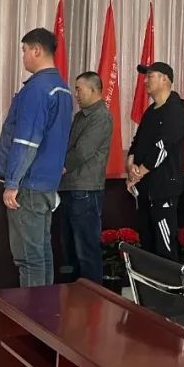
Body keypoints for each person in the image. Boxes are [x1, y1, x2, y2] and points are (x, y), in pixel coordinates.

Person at [0, 28, 73, 288]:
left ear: (37, 50)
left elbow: (26, 141)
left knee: (28, 259)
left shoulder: (37, 89)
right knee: (41, 253)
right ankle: (45, 308)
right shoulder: (62, 89)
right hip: (47, 184)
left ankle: (32, 312)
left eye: (25, 50)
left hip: (28, 185)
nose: (24, 56)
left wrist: (12, 182)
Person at [128, 62, 184, 260]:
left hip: (163, 190)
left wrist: (140, 172)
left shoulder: (175, 110)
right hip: (145, 189)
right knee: (147, 242)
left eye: (150, 76)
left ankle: (170, 281)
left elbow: (164, 147)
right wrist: (130, 166)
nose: (145, 81)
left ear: (165, 79)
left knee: (164, 245)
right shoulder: (150, 111)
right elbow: (137, 142)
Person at [59, 71, 112, 283]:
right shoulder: (81, 116)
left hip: (86, 189)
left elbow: (82, 152)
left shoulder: (101, 116)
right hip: (70, 186)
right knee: (70, 247)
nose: (76, 94)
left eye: (79, 89)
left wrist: (60, 167)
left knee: (86, 249)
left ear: (93, 89)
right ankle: (73, 292)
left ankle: (92, 294)